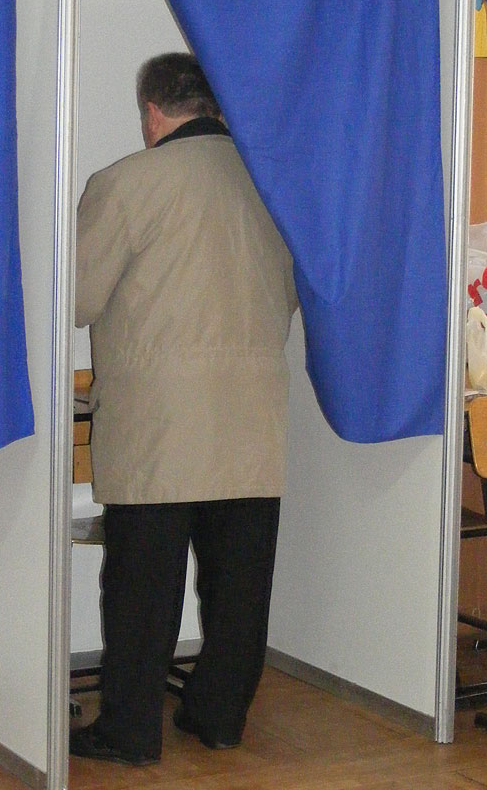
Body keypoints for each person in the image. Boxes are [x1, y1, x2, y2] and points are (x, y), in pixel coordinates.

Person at [72, 52, 297, 766]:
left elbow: (77, 297)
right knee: (238, 591)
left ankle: (130, 731)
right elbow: (294, 292)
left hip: (160, 426)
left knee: (143, 589)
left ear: (153, 113)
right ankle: (220, 717)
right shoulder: (273, 184)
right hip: (253, 418)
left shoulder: (124, 185)